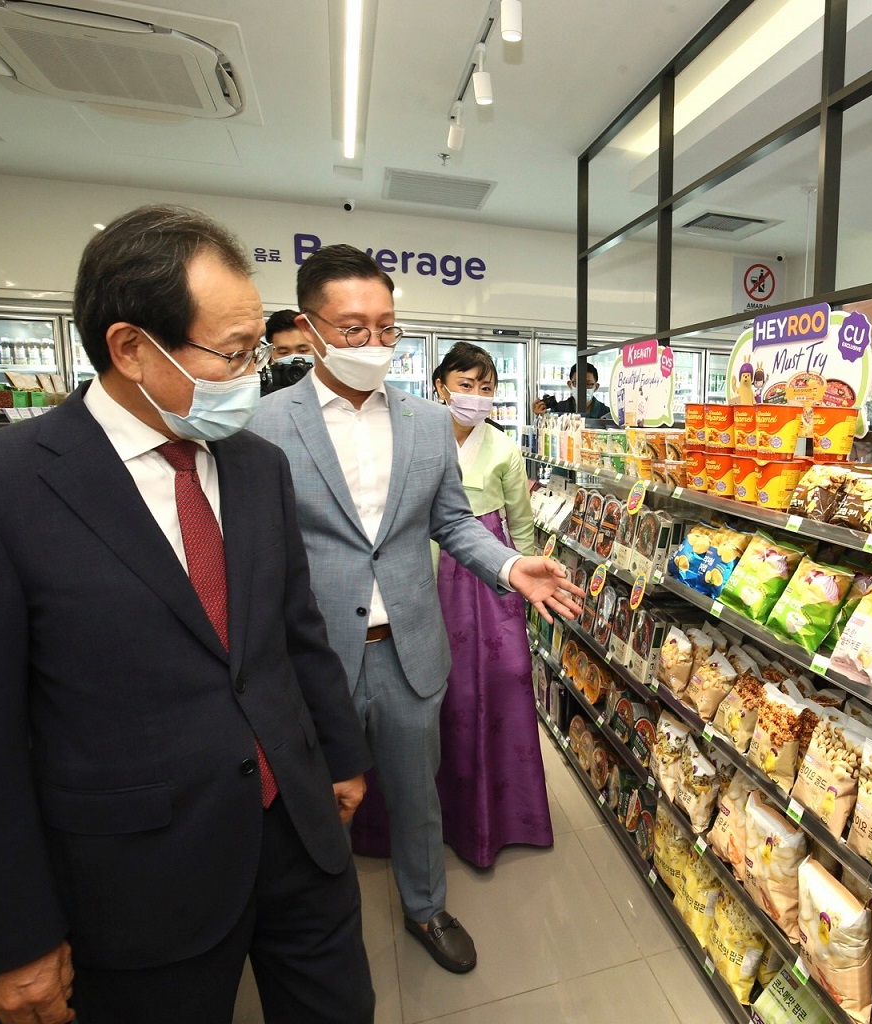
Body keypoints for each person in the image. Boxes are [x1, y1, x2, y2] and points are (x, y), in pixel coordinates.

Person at [0, 205, 376, 1024]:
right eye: (232, 352)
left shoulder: (256, 465)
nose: (252, 372)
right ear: (130, 348)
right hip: (141, 877)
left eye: (257, 347)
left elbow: (294, 631)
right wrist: (9, 936)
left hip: (298, 833)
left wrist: (339, 754)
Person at [249, 244, 583, 976]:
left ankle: (426, 907)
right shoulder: (262, 426)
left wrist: (508, 563)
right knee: (311, 802)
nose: (374, 345)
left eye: (387, 328)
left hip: (410, 647)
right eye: (351, 329)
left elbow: (453, 522)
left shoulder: (428, 424)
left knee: (415, 791)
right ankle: (314, 929)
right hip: (314, 657)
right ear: (308, 328)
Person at [351, 341, 552, 870]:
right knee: (415, 693)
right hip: (417, 572)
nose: (477, 397)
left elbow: (522, 525)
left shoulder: (503, 450)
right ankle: (403, 823)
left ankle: (491, 819)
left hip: (485, 582)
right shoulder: (411, 436)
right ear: (441, 386)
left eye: (487, 388)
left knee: (492, 685)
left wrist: (525, 580)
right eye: (467, 385)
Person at [530, 361, 609, 419]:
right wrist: (540, 416)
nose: (582, 388)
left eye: (588, 384)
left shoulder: (606, 413)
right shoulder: (558, 409)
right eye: (576, 383)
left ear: (596, 387)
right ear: (570, 384)